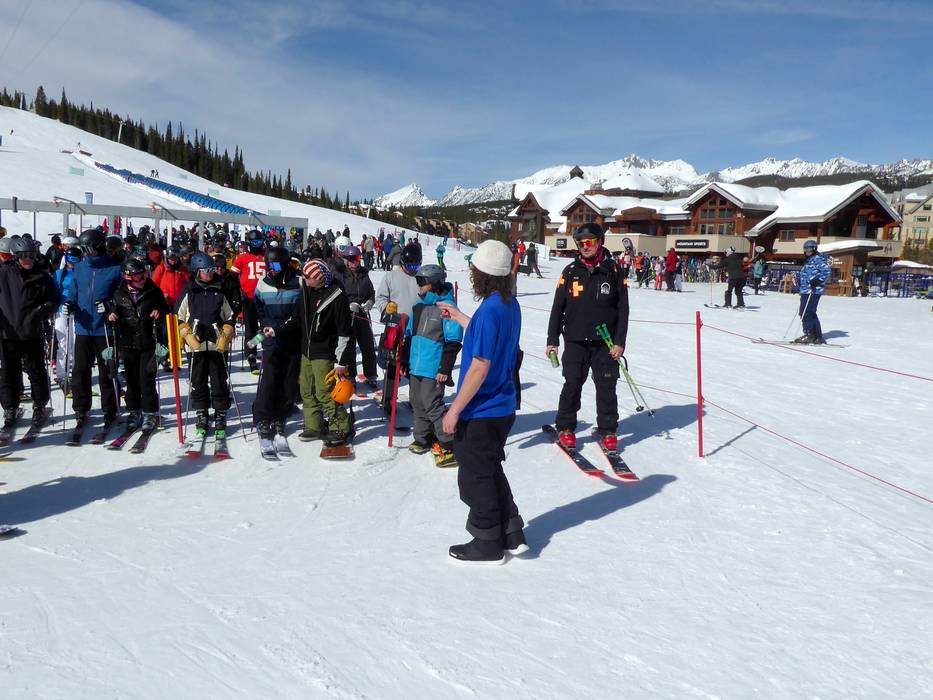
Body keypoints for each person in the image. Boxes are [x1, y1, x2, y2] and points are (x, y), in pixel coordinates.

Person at [438, 240, 524, 565]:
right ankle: (512, 531)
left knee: (475, 476)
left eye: (474, 269)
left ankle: (487, 541)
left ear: (483, 274)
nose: (471, 274)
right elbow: (488, 333)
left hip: (483, 409)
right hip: (503, 406)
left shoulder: (490, 311)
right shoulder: (508, 303)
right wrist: (460, 316)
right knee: (489, 468)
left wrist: (455, 410)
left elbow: (479, 366)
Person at [545, 222, 628, 453]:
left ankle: (608, 431)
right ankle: (565, 428)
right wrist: (552, 339)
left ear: (600, 242)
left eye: (589, 242)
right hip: (575, 340)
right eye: (580, 243)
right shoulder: (570, 271)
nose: (584, 246)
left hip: (605, 343)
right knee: (572, 384)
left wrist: (620, 342)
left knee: (607, 387)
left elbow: (623, 309)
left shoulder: (613, 271)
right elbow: (557, 307)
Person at [278, 259, 354, 445]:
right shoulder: (307, 292)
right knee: (306, 390)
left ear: (319, 277)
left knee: (324, 393)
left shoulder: (336, 297)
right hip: (307, 351)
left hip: (325, 353)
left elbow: (345, 333)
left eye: (308, 276)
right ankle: (314, 425)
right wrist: (277, 330)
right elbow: (297, 319)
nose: (304, 279)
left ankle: (341, 428)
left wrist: (341, 362)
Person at [402, 264, 463, 465]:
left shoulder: (447, 307)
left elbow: (453, 341)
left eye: (422, 282)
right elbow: (409, 336)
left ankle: (449, 442)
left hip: (433, 368)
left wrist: (445, 368)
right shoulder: (418, 307)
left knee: (433, 405)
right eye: (418, 281)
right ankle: (423, 437)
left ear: (434, 283)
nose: (418, 285)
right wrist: (405, 361)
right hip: (416, 365)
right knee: (417, 403)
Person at [0, 237, 59, 431]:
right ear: (16, 257)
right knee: (9, 372)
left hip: (32, 330)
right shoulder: (4, 273)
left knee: (36, 371)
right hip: (8, 333)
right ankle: (10, 407)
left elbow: (54, 298)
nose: (28, 260)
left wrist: (45, 309)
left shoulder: (42, 276)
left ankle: (39, 405)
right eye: (24, 256)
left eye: (31, 256)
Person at [67, 228, 123, 429]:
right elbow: (73, 291)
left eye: (88, 249)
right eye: (83, 249)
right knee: (80, 370)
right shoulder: (80, 268)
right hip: (83, 327)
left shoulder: (114, 268)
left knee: (107, 370)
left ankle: (110, 408)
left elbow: (122, 296)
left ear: (98, 247)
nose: (85, 253)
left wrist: (111, 306)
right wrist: (70, 303)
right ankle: (81, 408)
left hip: (104, 328)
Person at [176, 253, 236, 438]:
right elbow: (178, 316)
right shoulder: (189, 291)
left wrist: (228, 329)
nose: (210, 273)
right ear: (196, 271)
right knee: (198, 381)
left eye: (212, 269)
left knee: (219, 381)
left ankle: (220, 415)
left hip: (217, 344)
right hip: (196, 345)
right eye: (206, 270)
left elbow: (230, 315)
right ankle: (202, 414)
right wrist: (185, 332)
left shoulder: (220, 289)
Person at [107, 258, 169, 433]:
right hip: (128, 344)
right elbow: (113, 312)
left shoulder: (152, 290)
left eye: (144, 275)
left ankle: (150, 412)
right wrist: (111, 316)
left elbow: (165, 310)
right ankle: (134, 411)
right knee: (132, 380)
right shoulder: (119, 293)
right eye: (137, 277)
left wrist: (159, 312)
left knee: (146, 379)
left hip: (148, 342)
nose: (142, 279)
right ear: (127, 277)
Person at [252, 246, 301, 443]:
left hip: (291, 338)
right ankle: (263, 417)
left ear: (285, 264)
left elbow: (299, 312)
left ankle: (281, 415)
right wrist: (264, 324)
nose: (271, 269)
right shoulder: (263, 283)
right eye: (268, 265)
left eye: (275, 266)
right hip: (271, 339)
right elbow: (258, 307)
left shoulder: (297, 282)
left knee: (289, 381)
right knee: (269, 379)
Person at [334, 245, 378, 387]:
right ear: (346, 260)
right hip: (347, 315)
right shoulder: (341, 275)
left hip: (362, 313)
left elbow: (371, 292)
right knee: (349, 346)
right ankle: (351, 375)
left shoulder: (364, 274)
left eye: (357, 258)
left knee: (368, 344)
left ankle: (371, 374)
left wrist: (370, 302)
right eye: (351, 259)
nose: (354, 262)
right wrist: (347, 305)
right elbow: (336, 295)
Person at [230, 229, 267, 372]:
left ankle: (263, 349)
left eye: (259, 242)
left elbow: (276, 272)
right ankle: (251, 353)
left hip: (265, 299)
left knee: (265, 328)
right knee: (250, 329)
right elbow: (232, 277)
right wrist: (238, 292)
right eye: (254, 242)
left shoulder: (267, 256)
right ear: (249, 243)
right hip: (248, 299)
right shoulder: (242, 257)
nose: (257, 245)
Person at [794, 240, 831, 344]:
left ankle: (809, 334)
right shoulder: (809, 260)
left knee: (805, 312)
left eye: (809, 249)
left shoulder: (817, 259)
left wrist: (818, 280)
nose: (807, 251)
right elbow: (808, 273)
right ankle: (817, 336)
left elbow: (827, 271)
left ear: (814, 249)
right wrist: (799, 278)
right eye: (805, 249)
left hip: (813, 290)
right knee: (810, 312)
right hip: (806, 290)